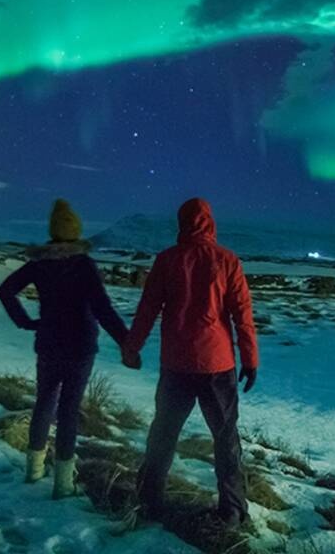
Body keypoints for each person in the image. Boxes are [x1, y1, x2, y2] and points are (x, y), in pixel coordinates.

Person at [121, 197, 259, 527]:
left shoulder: (167, 260)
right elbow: (243, 316)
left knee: (163, 434)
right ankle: (233, 510)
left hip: (176, 365)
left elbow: (147, 310)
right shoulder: (227, 260)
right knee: (225, 438)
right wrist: (250, 359)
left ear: (182, 223)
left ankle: (149, 501)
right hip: (217, 364)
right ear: (211, 222)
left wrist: (132, 348)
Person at [0, 199, 130, 499]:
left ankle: (33, 471)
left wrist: (25, 321)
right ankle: (63, 483)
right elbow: (102, 308)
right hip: (80, 344)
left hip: (48, 341)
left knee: (44, 402)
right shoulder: (84, 264)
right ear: (75, 232)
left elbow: (5, 290)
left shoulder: (39, 263)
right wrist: (126, 341)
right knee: (69, 410)